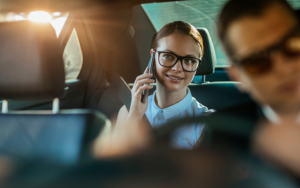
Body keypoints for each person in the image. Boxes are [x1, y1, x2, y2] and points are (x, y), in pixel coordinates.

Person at [203, 0, 300, 144]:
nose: (284, 68)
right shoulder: (225, 134)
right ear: (237, 76)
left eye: (293, 44)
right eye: (257, 61)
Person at [115, 21, 213, 149]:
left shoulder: (208, 122)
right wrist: (135, 116)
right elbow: (116, 165)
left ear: (197, 66)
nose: (177, 68)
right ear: (153, 57)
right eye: (168, 56)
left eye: (189, 60)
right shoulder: (128, 112)